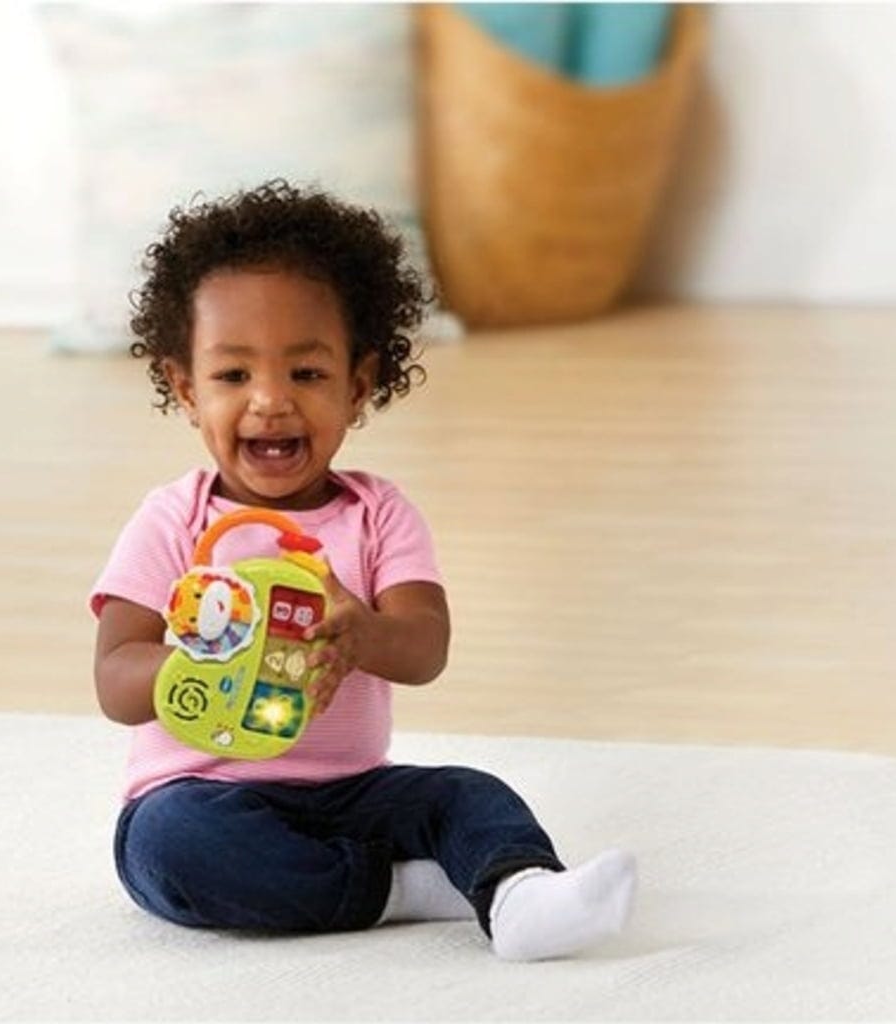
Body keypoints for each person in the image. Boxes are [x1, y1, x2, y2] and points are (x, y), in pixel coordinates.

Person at [88, 180, 636, 960]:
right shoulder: (173, 518)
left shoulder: (377, 514)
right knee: (173, 846)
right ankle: (409, 890)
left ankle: (519, 891)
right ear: (185, 389)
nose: (270, 401)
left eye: (306, 374)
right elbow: (114, 678)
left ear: (356, 384)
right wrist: (198, 660)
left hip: (349, 792)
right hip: (204, 793)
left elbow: (424, 648)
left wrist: (363, 634)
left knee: (465, 792)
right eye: (233, 376)